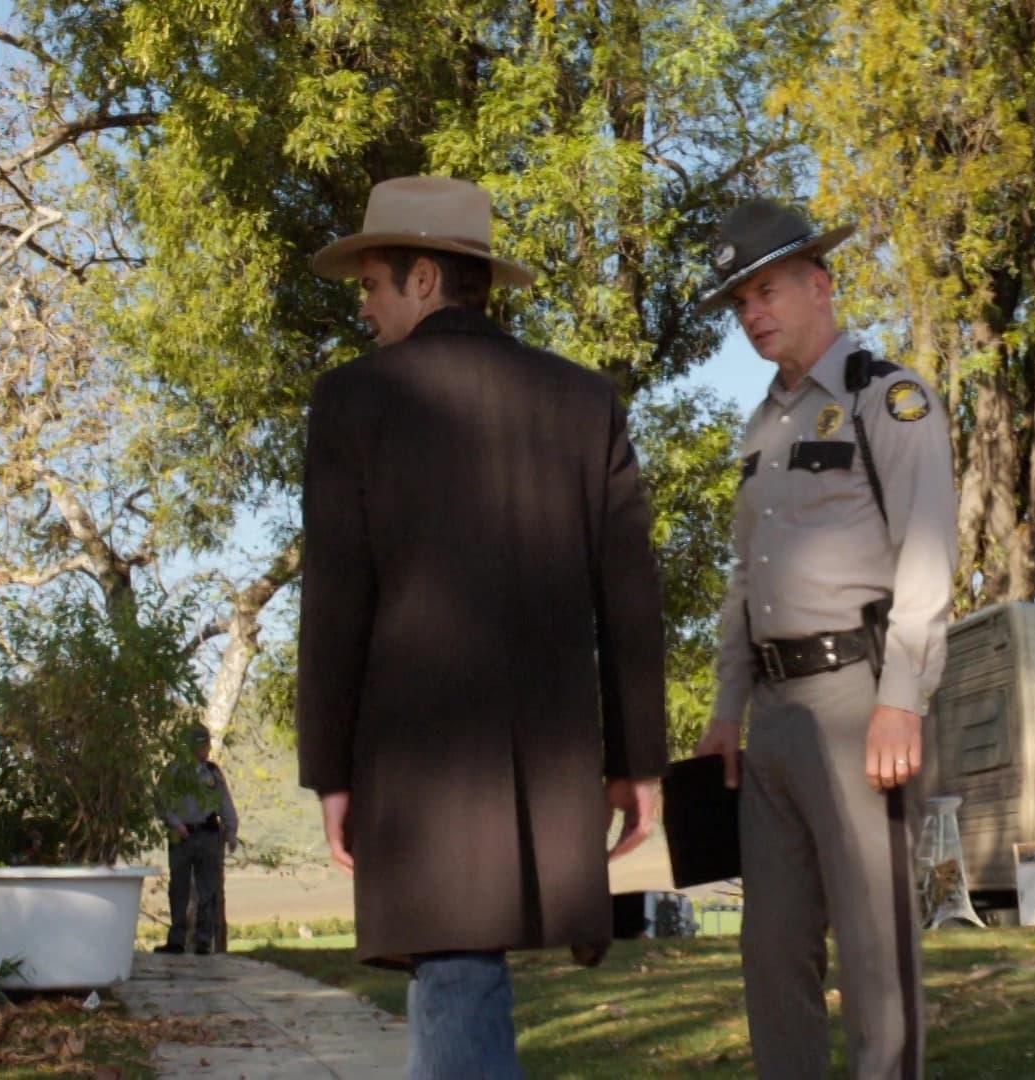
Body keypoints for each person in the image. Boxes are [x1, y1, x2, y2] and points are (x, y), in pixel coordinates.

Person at [296, 175, 669, 1079]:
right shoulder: (585, 400)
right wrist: (637, 759)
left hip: (417, 762)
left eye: (372, 285)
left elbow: (336, 600)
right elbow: (629, 594)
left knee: (455, 968)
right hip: (550, 753)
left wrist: (331, 771)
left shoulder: (350, 400)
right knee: (458, 977)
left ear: (425, 279)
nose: (364, 307)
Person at [693, 198, 956, 1079]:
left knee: (878, 952)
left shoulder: (890, 398)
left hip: (859, 702)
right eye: (740, 303)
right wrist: (726, 709)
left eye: (765, 292)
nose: (752, 314)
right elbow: (747, 579)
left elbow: (926, 556)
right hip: (771, 716)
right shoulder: (763, 424)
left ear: (821, 285)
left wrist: (901, 700)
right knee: (772, 953)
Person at [157, 724, 239, 956]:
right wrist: (176, 823)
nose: (208, 749)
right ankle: (176, 941)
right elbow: (161, 802)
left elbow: (224, 802)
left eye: (208, 744)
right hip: (181, 837)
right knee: (178, 889)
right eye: (204, 744)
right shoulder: (173, 772)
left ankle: (204, 941)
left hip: (208, 835)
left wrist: (231, 831)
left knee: (208, 889)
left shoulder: (212, 772)